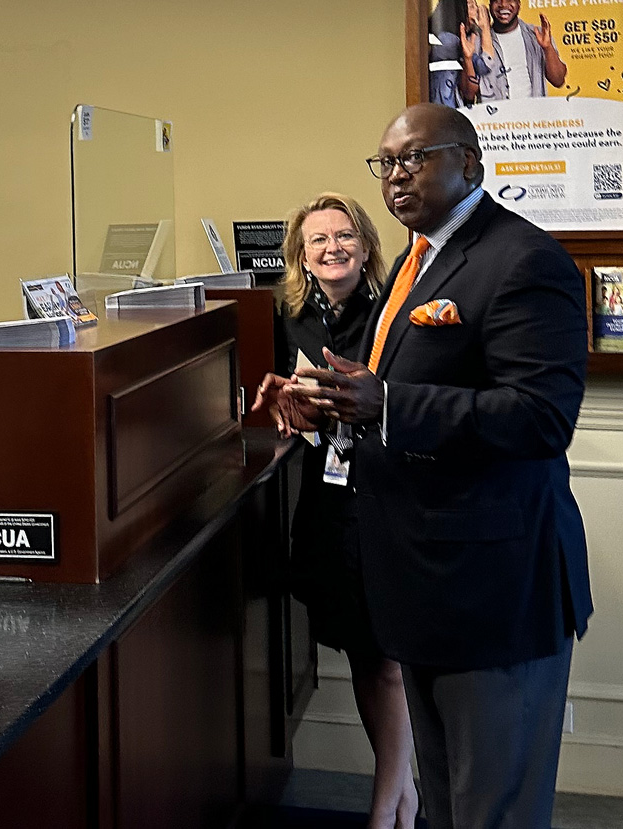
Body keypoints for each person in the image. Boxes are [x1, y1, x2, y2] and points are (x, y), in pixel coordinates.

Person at [263, 103, 591, 828]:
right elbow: (403, 389)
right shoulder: (421, 260)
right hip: (424, 586)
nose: (397, 175)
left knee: (493, 809)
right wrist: (332, 402)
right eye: (386, 162)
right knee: (445, 806)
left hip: (495, 594)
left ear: (470, 163)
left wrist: (387, 402)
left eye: (415, 157)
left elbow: (540, 417)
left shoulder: (523, 259)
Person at [268, 193, 416, 829]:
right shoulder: (286, 317)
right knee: (360, 652)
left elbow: (410, 398)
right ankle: (405, 795)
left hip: (385, 498)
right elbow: (270, 394)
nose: (332, 248)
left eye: (343, 235)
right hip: (325, 501)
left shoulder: (392, 311)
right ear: (301, 253)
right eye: (318, 239)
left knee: (388, 658)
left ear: (365, 244)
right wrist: (282, 406)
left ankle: (386, 806)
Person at [477, 0, 566, 100]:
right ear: (490, 5)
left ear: (519, 4)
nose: (503, 4)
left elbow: (558, 81)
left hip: (533, 113)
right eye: (497, 0)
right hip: (496, 114)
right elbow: (469, 92)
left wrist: (547, 48)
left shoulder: (536, 35)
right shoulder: (479, 41)